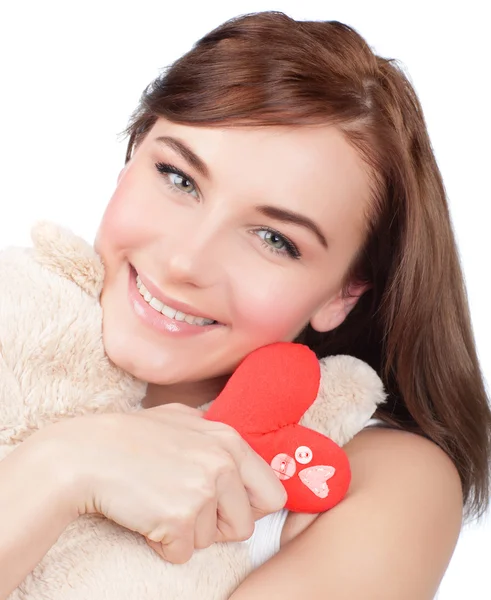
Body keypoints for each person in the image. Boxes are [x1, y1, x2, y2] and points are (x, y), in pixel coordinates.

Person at [0, 10, 489, 599]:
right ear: (133, 152)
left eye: (274, 239)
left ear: (343, 293)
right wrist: (59, 469)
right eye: (179, 178)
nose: (186, 262)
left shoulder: (372, 474)